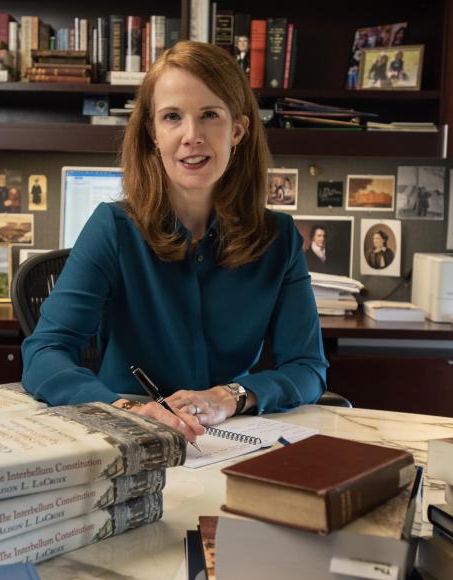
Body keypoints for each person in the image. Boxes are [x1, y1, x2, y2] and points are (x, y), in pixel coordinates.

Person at [21, 41, 328, 443]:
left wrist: (232, 396)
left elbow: (308, 367)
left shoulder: (280, 240)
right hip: (127, 436)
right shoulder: (112, 228)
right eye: (172, 117)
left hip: (230, 437)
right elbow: (44, 354)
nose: (192, 135)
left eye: (209, 116)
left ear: (237, 129)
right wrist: (130, 409)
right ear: (153, 132)